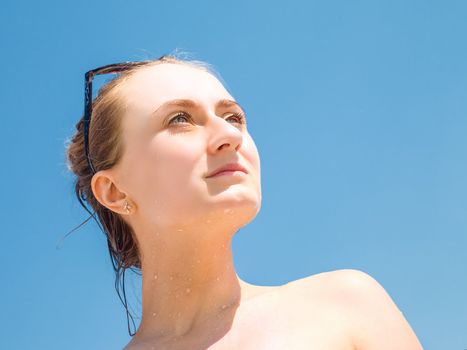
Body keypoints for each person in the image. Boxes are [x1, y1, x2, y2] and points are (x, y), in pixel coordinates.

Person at [65, 55, 424, 349]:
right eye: (180, 119)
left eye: (233, 117)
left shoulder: (343, 307)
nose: (229, 135)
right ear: (114, 191)